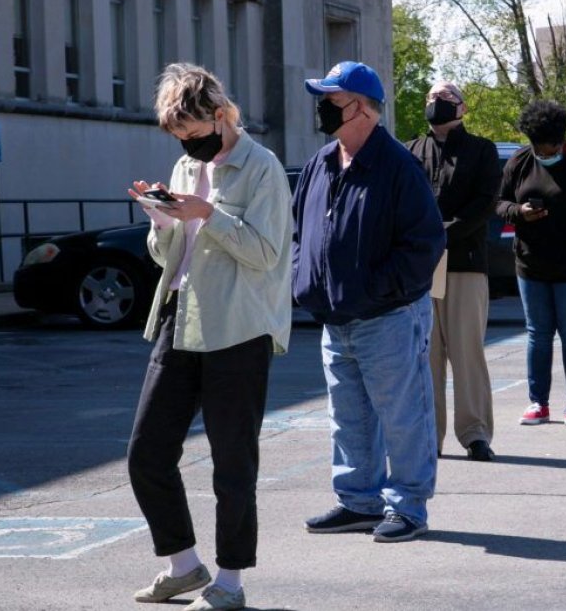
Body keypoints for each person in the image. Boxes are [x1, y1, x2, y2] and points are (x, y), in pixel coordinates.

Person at [126, 63, 293, 611]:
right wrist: (163, 220)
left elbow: (267, 254)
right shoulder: (181, 166)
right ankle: (183, 565)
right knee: (147, 454)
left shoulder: (261, 167)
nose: (189, 147)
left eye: (195, 136)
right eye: (181, 139)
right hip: (181, 318)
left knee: (232, 463)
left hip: (238, 330)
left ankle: (230, 582)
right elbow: (167, 258)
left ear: (221, 116)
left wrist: (208, 214)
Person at [292, 61, 445, 543]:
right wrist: (306, 280)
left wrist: (375, 289)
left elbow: (424, 245)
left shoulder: (398, 165)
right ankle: (358, 500)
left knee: (403, 415)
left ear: (360, 107)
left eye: (330, 100)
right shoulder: (321, 163)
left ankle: (409, 507)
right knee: (348, 416)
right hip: (336, 319)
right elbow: (301, 232)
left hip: (388, 317)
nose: (321, 108)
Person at [405, 81, 500, 462]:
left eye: (443, 99)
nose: (434, 103)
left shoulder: (482, 150)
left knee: (467, 352)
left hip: (465, 262)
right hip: (421, 269)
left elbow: (485, 203)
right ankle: (430, 436)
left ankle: (475, 433)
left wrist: (444, 231)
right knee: (426, 356)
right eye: (429, 97)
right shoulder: (410, 150)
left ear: (461, 108)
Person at [498, 101, 566, 426]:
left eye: (552, 149)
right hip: (531, 266)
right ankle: (538, 402)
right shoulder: (519, 161)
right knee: (538, 334)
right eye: (540, 150)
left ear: (562, 141)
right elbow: (499, 202)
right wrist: (519, 213)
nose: (546, 154)